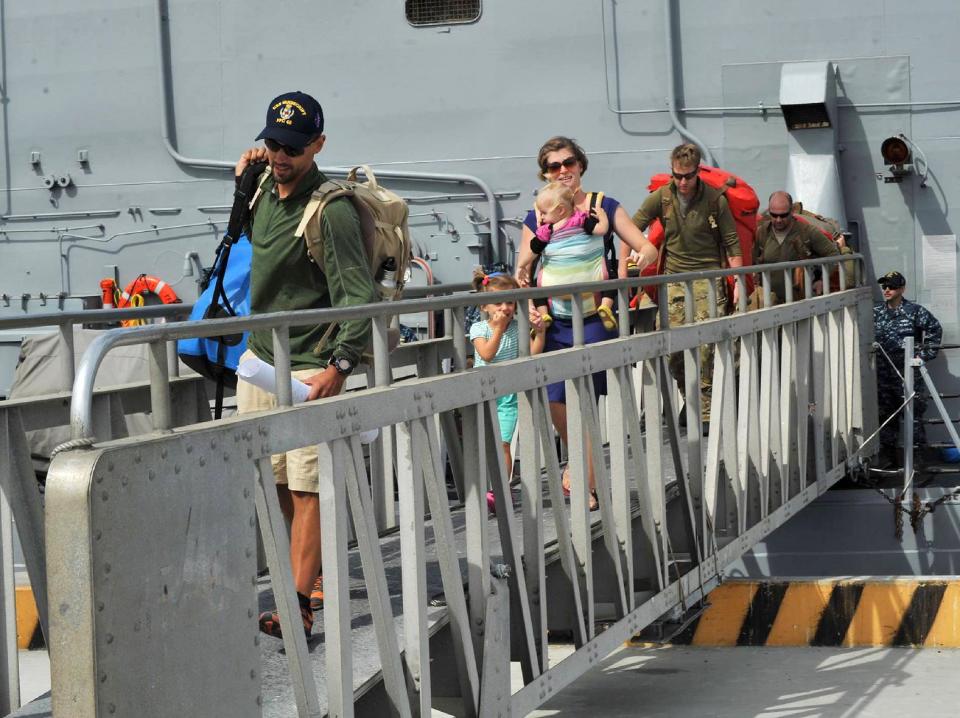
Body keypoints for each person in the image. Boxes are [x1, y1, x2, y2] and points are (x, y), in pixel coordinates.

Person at [235, 91, 378, 639]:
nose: (280, 154)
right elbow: (257, 248)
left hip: (309, 367)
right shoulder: (262, 192)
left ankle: (298, 604)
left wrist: (339, 367)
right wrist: (242, 184)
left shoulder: (332, 208)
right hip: (262, 360)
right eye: (272, 143)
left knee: (305, 488)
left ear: (318, 144)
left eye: (293, 147)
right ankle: (307, 579)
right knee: (272, 480)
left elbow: (356, 295)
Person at [515, 136, 658, 508]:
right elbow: (523, 268)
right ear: (545, 173)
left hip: (594, 317)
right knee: (552, 398)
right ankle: (578, 462)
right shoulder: (538, 213)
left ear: (580, 165)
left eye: (568, 163)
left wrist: (641, 257)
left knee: (585, 402)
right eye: (553, 166)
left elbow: (645, 246)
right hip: (553, 320)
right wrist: (526, 295)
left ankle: (585, 485)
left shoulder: (603, 206)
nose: (562, 171)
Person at [631, 143, 744, 426]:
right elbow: (633, 226)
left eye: (688, 176)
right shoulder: (663, 197)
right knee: (672, 350)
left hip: (708, 280)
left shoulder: (715, 200)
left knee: (707, 349)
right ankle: (690, 399)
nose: (682, 182)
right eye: (677, 176)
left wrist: (739, 281)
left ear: (697, 172)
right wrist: (635, 255)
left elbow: (731, 242)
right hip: (674, 283)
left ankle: (705, 413)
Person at [469, 269, 546, 511]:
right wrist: (499, 329)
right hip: (482, 394)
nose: (505, 308)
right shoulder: (479, 330)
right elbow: (487, 354)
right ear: (485, 307)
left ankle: (500, 489)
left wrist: (540, 333)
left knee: (503, 443)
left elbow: (532, 355)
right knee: (483, 445)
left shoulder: (517, 328)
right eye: (498, 302)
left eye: (510, 302)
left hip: (507, 397)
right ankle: (482, 488)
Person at [873, 271, 943, 467]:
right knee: (886, 416)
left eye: (892, 286)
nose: (887, 290)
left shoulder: (914, 311)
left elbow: (935, 329)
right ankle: (888, 458)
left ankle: (919, 459)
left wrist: (923, 356)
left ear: (902, 289)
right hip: (883, 374)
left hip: (908, 374)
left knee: (913, 416)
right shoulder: (876, 312)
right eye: (884, 286)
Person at [529, 181, 616, 331]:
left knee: (537, 287)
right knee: (612, 278)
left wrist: (522, 266)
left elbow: (534, 248)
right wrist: (603, 218)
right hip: (589, 286)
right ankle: (605, 306)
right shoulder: (581, 220)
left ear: (561, 210)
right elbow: (601, 230)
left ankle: (544, 315)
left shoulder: (546, 230)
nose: (541, 217)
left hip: (556, 287)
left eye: (543, 213)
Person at [753, 191, 840, 304]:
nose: (778, 220)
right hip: (770, 303)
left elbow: (833, 254)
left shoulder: (807, 232)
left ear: (792, 211)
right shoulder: (762, 233)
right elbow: (752, 263)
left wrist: (822, 280)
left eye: (783, 215)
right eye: (774, 215)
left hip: (801, 301)